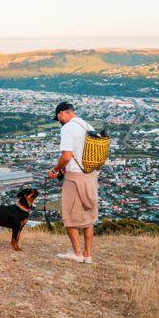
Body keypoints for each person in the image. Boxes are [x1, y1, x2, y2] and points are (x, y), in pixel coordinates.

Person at [47, 101, 98, 264]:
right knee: (88, 216)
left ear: (62, 113)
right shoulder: (86, 125)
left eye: (58, 118)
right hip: (91, 175)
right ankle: (87, 254)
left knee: (69, 216)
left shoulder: (67, 128)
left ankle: (77, 253)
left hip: (75, 177)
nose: (59, 121)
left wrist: (55, 170)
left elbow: (67, 156)